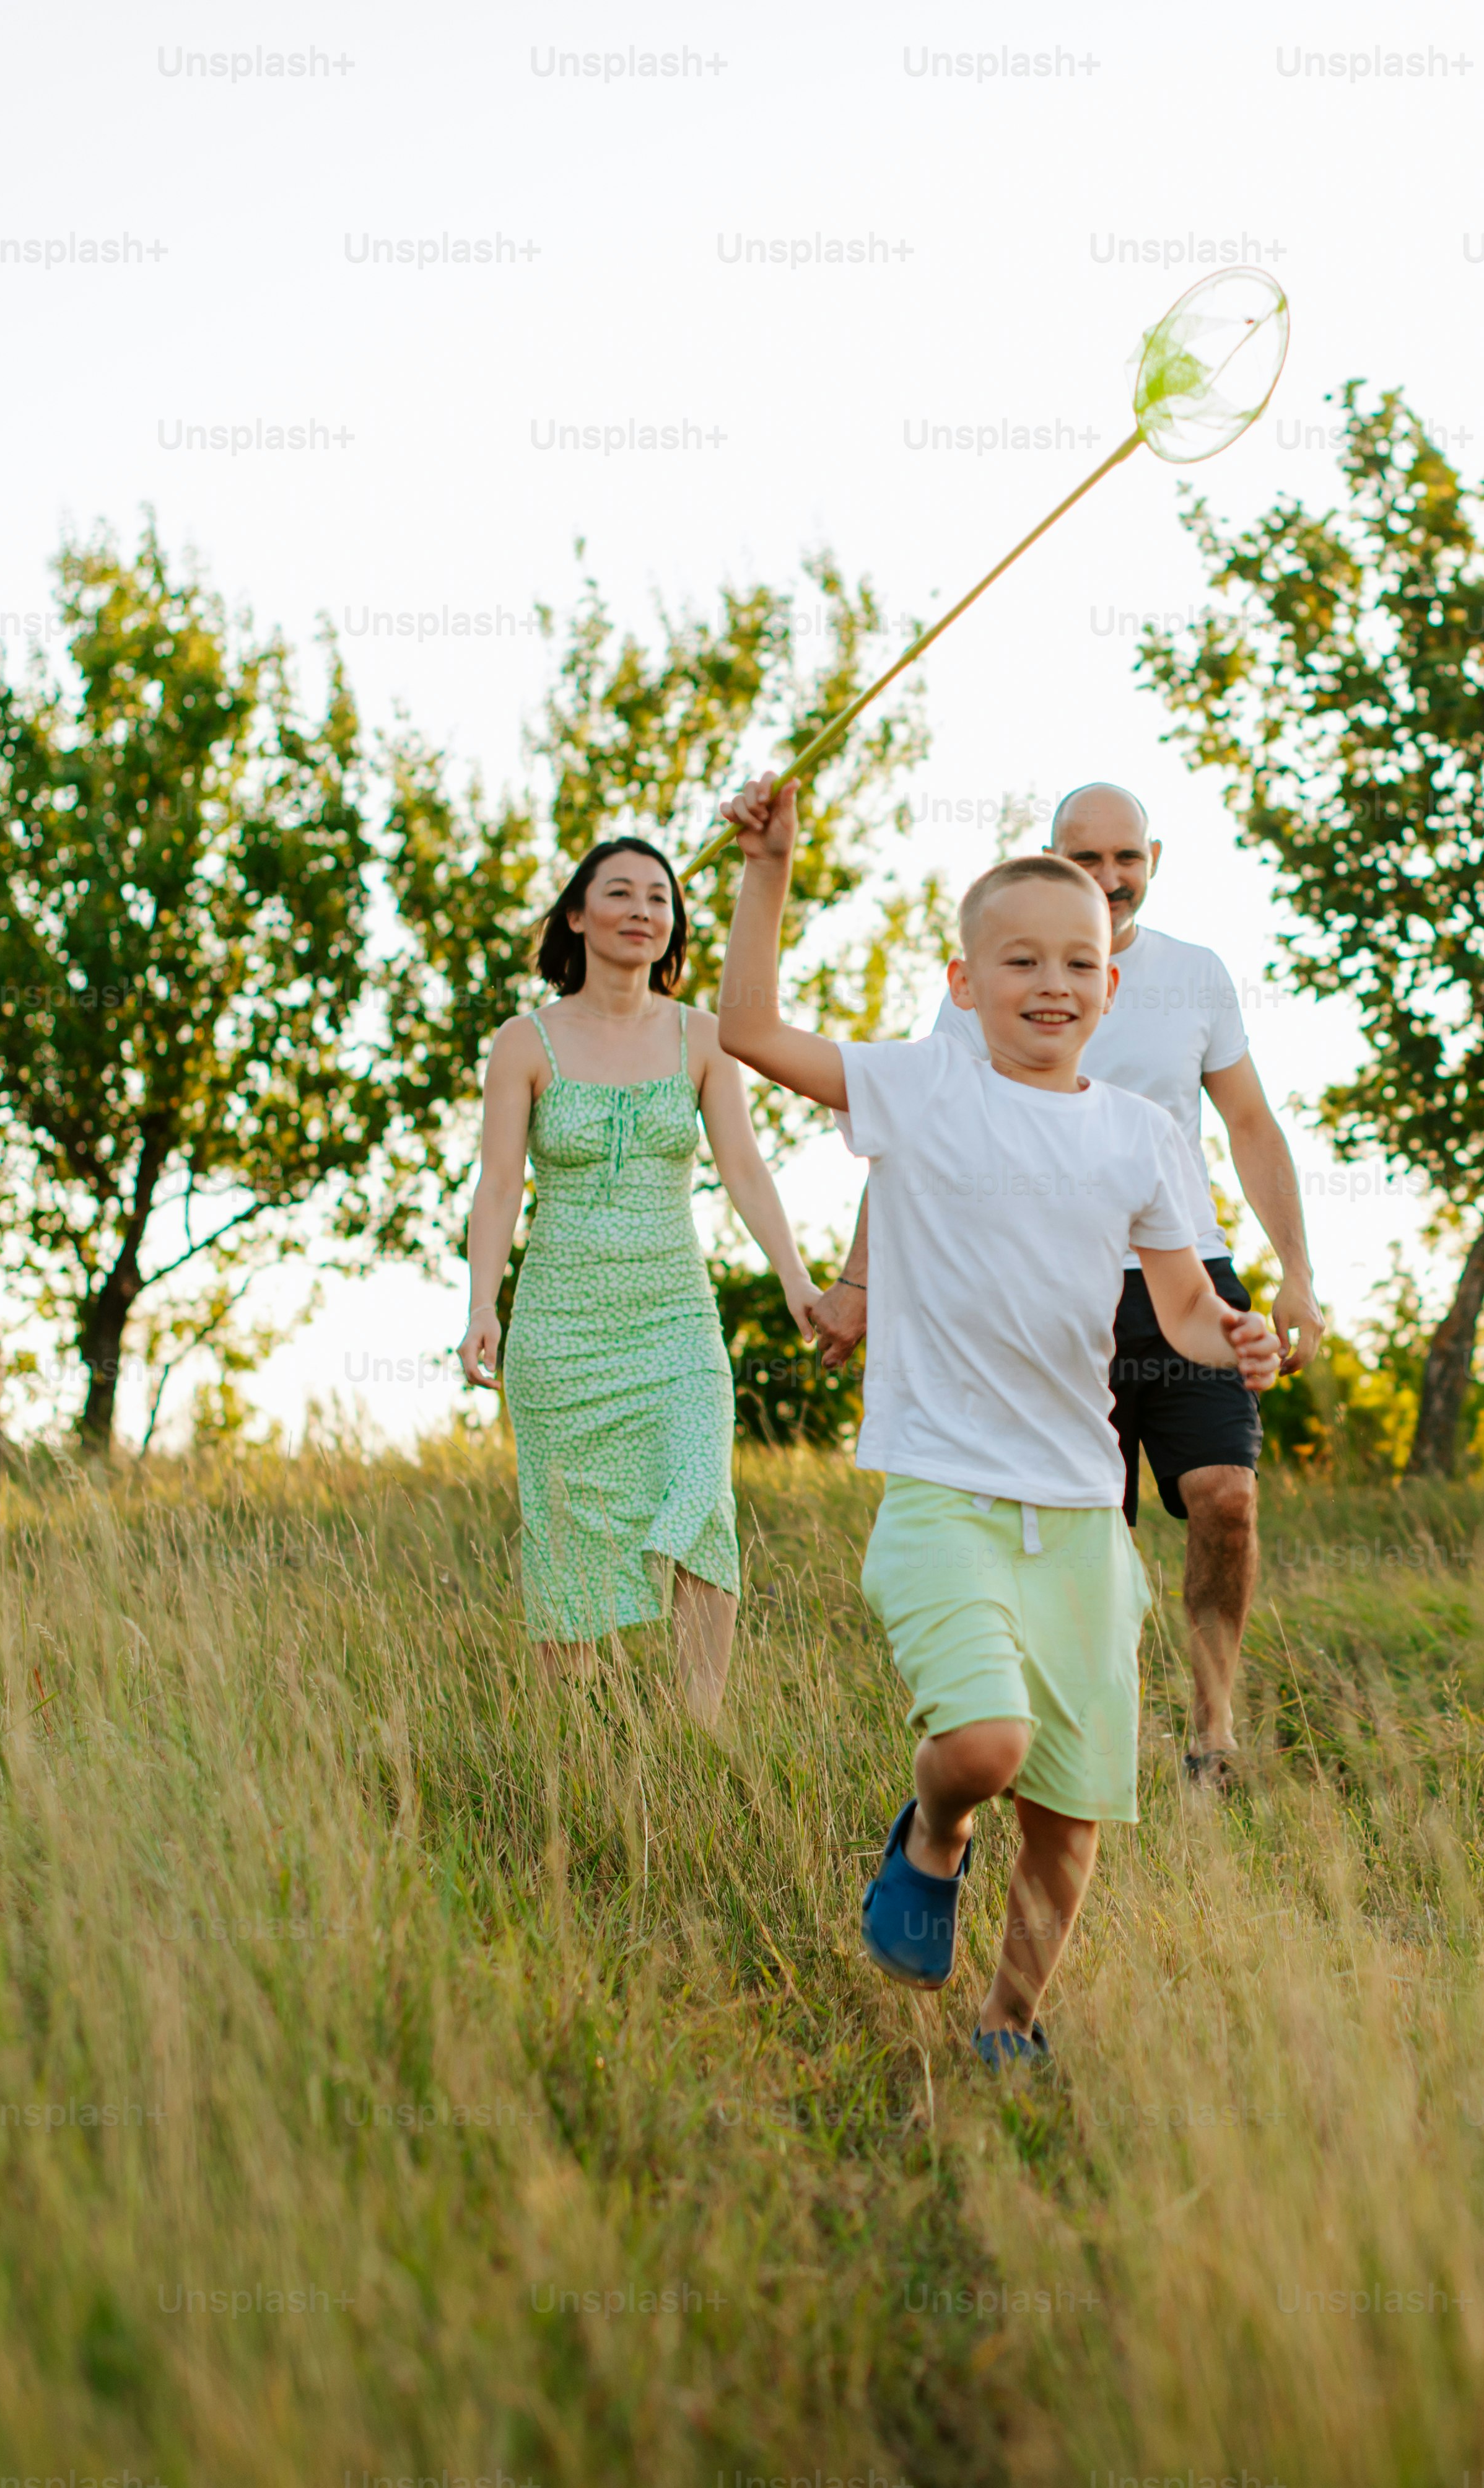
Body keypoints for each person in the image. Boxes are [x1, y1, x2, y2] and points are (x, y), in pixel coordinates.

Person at [712, 772, 1281, 2063]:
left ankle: (1007, 2025)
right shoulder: (919, 1089)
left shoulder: (1141, 1138)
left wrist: (1230, 1339)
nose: (1052, 982)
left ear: (1112, 986)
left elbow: (1181, 1303)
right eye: (1018, 959)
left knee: (1071, 1813)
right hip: (944, 1493)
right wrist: (770, 869)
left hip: (1081, 1516)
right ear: (963, 984)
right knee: (982, 1743)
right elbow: (747, 1028)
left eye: (1078, 960)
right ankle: (928, 1839)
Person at [812, 782, 1320, 1796]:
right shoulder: (1001, 982)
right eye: (1085, 860)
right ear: (1049, 863)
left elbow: (1251, 1126)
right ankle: (1085, 1739)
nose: (1111, 878)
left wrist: (1296, 1272)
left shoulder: (1194, 977)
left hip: (1183, 1277)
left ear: (1155, 860)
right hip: (1042, 1284)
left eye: (1126, 858)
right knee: (1094, 1524)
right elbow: (909, 1145)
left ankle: (1212, 1733)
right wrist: (858, 1281)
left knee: (1225, 1496)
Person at [458, 834, 821, 1724]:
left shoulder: (702, 1034)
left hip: (674, 1323)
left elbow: (744, 1168)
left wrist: (796, 1280)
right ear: (576, 916)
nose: (641, 912)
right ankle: (570, 1747)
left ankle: (700, 1730)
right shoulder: (526, 1040)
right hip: (562, 1328)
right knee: (569, 1536)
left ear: (674, 924)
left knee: (705, 1503)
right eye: (619, 894)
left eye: (659, 898)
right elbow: (499, 1184)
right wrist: (482, 1310)